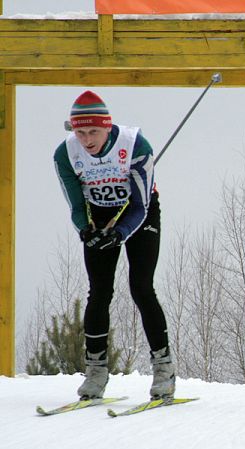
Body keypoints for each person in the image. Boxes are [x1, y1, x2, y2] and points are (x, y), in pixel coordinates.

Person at [53, 90, 175, 400]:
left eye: (94, 131)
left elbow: (141, 204)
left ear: (108, 126)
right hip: (99, 215)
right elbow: (76, 204)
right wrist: (86, 230)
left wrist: (120, 234)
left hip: (138, 213)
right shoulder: (65, 154)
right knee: (99, 291)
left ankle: (163, 370)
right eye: (80, 132)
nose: (87, 139)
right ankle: (95, 372)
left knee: (141, 287)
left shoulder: (136, 146)